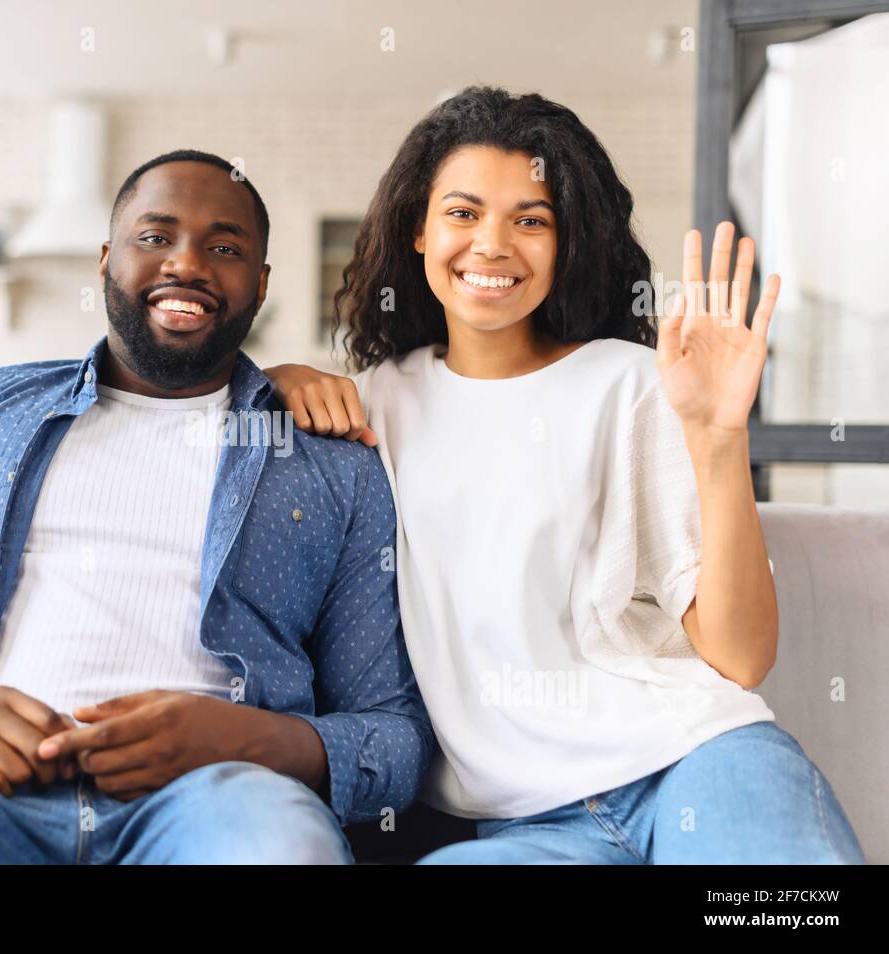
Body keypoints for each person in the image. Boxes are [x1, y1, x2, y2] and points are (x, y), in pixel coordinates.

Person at [0, 149, 434, 865]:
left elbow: (395, 738)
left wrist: (247, 740)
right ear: (105, 260)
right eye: (154, 237)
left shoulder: (331, 463)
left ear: (261, 283)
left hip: (225, 799)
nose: (187, 264)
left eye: (225, 247)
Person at [264, 87, 865, 864]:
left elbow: (739, 658)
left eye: (531, 220)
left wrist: (721, 440)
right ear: (419, 229)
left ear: (566, 242)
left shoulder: (634, 383)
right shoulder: (375, 405)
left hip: (698, 763)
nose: (492, 244)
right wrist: (270, 380)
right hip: (525, 830)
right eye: (463, 212)